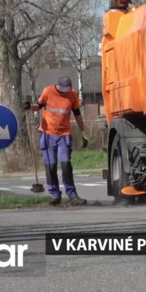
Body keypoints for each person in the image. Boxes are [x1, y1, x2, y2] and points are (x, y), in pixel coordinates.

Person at [24, 76, 89, 206]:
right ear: (58, 85)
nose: (65, 92)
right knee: (51, 166)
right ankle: (55, 195)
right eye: (63, 89)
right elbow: (38, 106)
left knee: (65, 165)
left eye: (67, 89)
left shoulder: (72, 95)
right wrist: (30, 106)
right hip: (48, 135)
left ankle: (72, 194)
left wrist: (83, 133)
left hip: (64, 135)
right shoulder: (48, 91)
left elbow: (77, 114)